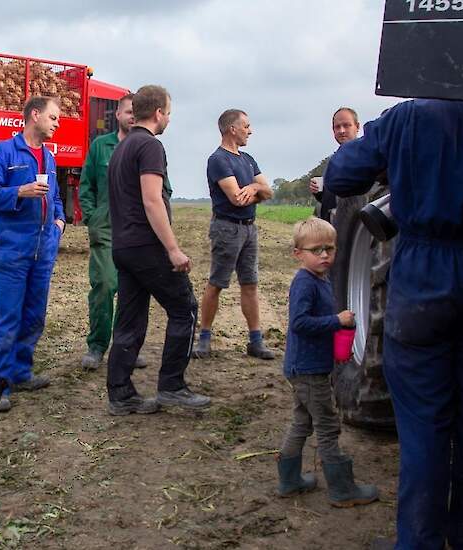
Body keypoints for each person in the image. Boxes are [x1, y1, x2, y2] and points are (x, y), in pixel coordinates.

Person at [324, 90, 463, 549]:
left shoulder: (410, 116)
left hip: (424, 275)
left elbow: (340, 174)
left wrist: (392, 158)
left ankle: (418, 541)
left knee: (422, 425)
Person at [105, 84, 210, 415]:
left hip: (123, 246)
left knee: (130, 320)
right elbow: (152, 200)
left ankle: (120, 394)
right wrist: (173, 249)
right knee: (184, 308)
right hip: (146, 246)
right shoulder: (150, 146)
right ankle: (172, 386)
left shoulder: (122, 147)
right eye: (169, 113)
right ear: (159, 113)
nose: (169, 120)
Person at [276, 217, 379, 508]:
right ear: (298, 253)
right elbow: (299, 323)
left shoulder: (321, 279)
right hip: (308, 371)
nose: (324, 255)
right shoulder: (304, 283)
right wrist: (336, 321)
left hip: (307, 367)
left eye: (329, 249)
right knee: (328, 427)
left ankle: (289, 480)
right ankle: (342, 490)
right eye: (316, 250)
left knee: (302, 421)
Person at [0, 96, 66, 412]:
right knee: (9, 317)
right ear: (35, 115)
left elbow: (55, 198)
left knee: (34, 316)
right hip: (13, 250)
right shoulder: (5, 152)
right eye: (53, 117)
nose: (57, 123)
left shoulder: (49, 157)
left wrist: (59, 223)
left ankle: (21, 372)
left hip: (43, 249)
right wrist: (19, 191)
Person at [193, 109, 275, 360]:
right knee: (217, 282)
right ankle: (204, 338)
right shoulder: (218, 160)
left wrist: (252, 187)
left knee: (250, 284)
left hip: (250, 228)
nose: (250, 131)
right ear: (232, 129)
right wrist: (255, 190)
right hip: (227, 228)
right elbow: (236, 199)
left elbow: (268, 192)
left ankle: (255, 341)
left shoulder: (248, 159)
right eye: (246, 126)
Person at [78, 93, 146, 371]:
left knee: (134, 292)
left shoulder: (146, 146)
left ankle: (127, 347)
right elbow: (86, 186)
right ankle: (97, 346)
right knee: (105, 285)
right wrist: (93, 218)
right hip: (106, 228)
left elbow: (163, 189)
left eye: (136, 113)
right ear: (117, 115)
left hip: (138, 231)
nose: (132, 116)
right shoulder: (100, 146)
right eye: (128, 112)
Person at [308, 107, 361, 221]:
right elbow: (332, 199)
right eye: (337, 127)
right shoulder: (334, 160)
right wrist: (319, 192)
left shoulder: (367, 158)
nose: (341, 131)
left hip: (355, 229)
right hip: (331, 228)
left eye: (347, 125)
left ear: (357, 127)